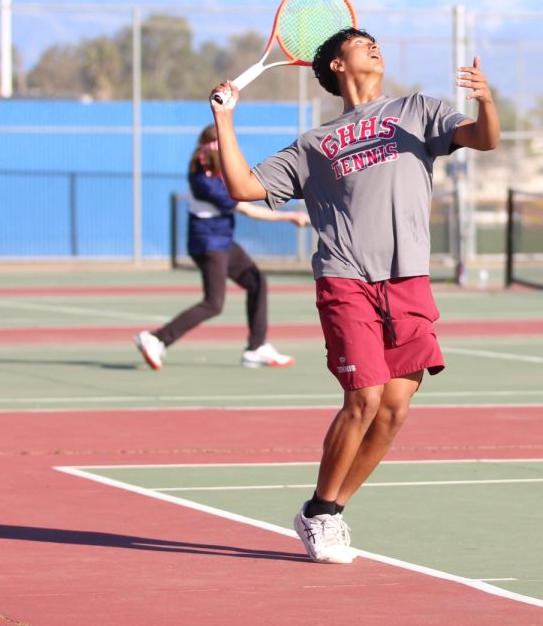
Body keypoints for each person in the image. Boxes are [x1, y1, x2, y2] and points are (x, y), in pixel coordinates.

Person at [209, 27, 499, 563]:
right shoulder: (313, 145)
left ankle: (326, 512)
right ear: (337, 66)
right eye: (361, 43)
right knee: (363, 398)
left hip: (408, 278)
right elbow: (244, 187)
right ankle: (322, 512)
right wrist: (224, 120)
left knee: (393, 409)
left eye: (376, 43)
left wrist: (486, 102)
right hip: (346, 278)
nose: (376, 47)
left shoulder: (416, 110)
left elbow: (484, 139)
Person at [133, 124, 310, 371]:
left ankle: (256, 347)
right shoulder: (205, 182)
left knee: (256, 281)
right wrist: (290, 217)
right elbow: (247, 208)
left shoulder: (211, 173)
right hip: (209, 244)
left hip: (222, 241)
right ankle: (156, 338)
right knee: (214, 303)